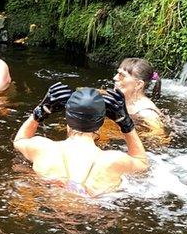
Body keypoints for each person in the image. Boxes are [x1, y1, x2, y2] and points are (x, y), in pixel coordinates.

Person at [13, 84, 149, 197]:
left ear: (67, 118)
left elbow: (19, 140)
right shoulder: (114, 160)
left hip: (50, 206)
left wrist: (40, 112)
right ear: (101, 123)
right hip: (95, 215)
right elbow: (142, 163)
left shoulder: (42, 148)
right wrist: (126, 124)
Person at [113, 57, 164, 132]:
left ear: (138, 84)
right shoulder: (121, 98)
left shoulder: (147, 114)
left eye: (122, 75)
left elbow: (161, 140)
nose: (115, 78)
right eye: (118, 73)